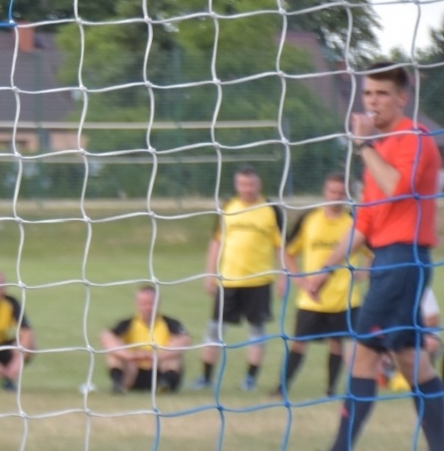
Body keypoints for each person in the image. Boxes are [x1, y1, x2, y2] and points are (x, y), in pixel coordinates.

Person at [292, 66, 444, 451]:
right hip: (387, 264)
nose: (372, 101)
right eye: (368, 93)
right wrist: (323, 271)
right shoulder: (379, 151)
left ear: (401, 99)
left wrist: (362, 145)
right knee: (414, 363)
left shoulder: (414, 139)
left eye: (381, 93)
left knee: (364, 353)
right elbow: (364, 227)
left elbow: (396, 185)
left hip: (404, 262)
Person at [194, 166, 287, 392]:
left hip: (259, 282)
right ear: (237, 185)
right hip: (228, 281)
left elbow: (282, 246)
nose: (248, 189)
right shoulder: (228, 207)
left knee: (257, 332)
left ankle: (250, 379)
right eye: (243, 185)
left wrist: (284, 276)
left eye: (251, 184)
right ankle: (205, 378)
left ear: (259, 184)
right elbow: (216, 242)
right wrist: (210, 273)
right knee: (215, 330)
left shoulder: (272, 209)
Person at [274, 173, 362, 399]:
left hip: (344, 297)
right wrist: (298, 279)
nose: (336, 196)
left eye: (341, 193)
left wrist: (366, 270)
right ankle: (281, 388)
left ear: (347, 195)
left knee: (337, 343)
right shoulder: (309, 219)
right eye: (332, 191)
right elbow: (288, 251)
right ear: (325, 191)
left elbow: (375, 251)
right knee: (298, 343)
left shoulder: (355, 222)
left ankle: (331, 390)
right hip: (311, 298)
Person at [101, 285, 189, 394]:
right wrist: (130, 356)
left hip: (159, 370)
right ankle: (118, 385)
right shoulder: (128, 324)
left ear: (158, 304)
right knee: (113, 355)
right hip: (134, 372)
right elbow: (106, 336)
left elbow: (184, 340)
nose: (147, 308)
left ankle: (165, 385)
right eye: (144, 304)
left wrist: (156, 356)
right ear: (137, 304)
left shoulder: (170, 323)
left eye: (151, 304)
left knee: (174, 357)